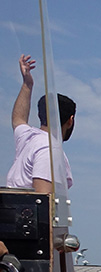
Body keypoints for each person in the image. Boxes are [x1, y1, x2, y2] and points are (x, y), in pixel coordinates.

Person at [6, 54, 75, 193]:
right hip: (25, 214)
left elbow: (18, 119)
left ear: (39, 114)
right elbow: (42, 200)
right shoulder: (50, 149)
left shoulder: (29, 138)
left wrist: (27, 85)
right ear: (70, 120)